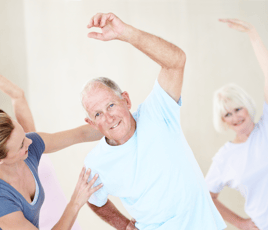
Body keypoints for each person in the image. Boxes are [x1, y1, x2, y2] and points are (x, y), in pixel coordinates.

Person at [81, 12, 227, 230]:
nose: (108, 117)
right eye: (98, 114)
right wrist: (124, 225)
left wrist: (126, 33)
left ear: (126, 100)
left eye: (111, 105)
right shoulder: (95, 164)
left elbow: (176, 62)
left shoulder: (157, 112)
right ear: (91, 123)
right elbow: (94, 201)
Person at [0, 65, 103, 230]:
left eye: (24, 136)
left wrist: (122, 121)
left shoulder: (29, 145)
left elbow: (81, 134)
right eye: (21, 145)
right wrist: (76, 202)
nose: (30, 142)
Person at [205, 19, 268, 230]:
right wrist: (241, 223)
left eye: (238, 109)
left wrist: (253, 34)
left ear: (247, 107)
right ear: (222, 121)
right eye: (227, 114)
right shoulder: (225, 158)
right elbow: (206, 197)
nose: (235, 117)